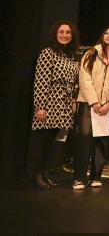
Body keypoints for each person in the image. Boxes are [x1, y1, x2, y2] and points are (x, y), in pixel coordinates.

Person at [73, 26, 109, 189]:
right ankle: (79, 177)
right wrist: (94, 102)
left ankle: (96, 176)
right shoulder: (91, 53)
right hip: (87, 103)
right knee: (84, 139)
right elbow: (84, 79)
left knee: (104, 140)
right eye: (106, 33)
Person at [28, 21, 79, 188]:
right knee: (40, 142)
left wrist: (72, 103)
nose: (64, 35)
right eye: (61, 32)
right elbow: (41, 81)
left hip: (63, 105)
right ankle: (36, 175)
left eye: (68, 32)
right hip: (49, 103)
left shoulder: (70, 56)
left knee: (50, 143)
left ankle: (44, 173)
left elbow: (74, 83)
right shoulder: (47, 53)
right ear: (55, 34)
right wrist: (40, 107)